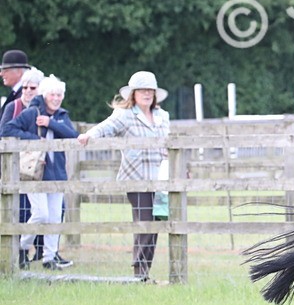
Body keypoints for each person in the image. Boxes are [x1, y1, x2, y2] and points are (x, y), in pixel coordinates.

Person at [78, 71, 171, 281]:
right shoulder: (125, 115)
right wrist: (89, 135)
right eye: (142, 90)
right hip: (136, 178)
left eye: (150, 90)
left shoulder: (162, 116)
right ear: (133, 93)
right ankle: (139, 273)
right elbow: (106, 127)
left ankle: (144, 273)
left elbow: (168, 142)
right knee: (144, 222)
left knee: (154, 225)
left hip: (160, 179)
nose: (147, 94)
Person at [0, 74, 78, 269]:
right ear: (45, 94)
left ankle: (49, 258)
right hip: (34, 173)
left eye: (60, 94)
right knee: (40, 214)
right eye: (53, 94)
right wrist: (33, 139)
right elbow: (7, 129)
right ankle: (22, 246)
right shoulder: (31, 112)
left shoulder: (62, 116)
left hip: (57, 173)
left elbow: (74, 136)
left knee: (54, 219)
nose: (57, 98)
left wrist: (50, 123)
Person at [1, 68, 45, 268]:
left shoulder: (44, 109)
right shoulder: (14, 106)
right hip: (17, 167)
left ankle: (41, 252)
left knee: (49, 211)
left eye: (32, 87)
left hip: (40, 168)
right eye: (25, 87)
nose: (27, 91)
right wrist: (34, 140)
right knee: (21, 211)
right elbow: (4, 131)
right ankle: (19, 253)